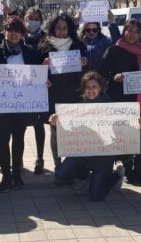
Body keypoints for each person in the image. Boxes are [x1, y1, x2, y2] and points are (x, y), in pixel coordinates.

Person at [0, 19, 42, 192]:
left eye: (17, 30)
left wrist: (45, 80)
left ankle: (17, 175)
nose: (13, 33)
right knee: (1, 141)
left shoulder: (29, 52)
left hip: (21, 105)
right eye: (9, 30)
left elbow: (38, 75)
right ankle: (6, 176)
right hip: (0, 107)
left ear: (22, 33)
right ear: (4, 32)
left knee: (19, 140)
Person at [49, 71, 128, 201]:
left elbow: (124, 127)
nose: (91, 90)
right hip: (82, 155)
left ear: (100, 88)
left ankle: (116, 177)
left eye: (94, 87)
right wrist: (54, 122)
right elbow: (65, 128)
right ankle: (84, 177)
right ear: (83, 89)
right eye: (87, 87)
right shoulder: (76, 106)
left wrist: (137, 125)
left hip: (102, 158)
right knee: (61, 174)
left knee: (96, 197)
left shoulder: (111, 106)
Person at [101, 19, 141, 185]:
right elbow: (102, 74)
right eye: (129, 30)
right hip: (122, 101)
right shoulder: (113, 50)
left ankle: (138, 171)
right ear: (123, 31)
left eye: (136, 31)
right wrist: (114, 77)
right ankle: (127, 169)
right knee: (126, 139)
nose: (132, 34)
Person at [38, 14, 88, 173]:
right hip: (53, 94)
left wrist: (84, 64)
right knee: (55, 129)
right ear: (53, 28)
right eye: (58, 27)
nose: (61, 31)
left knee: (73, 129)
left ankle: (71, 165)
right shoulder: (44, 46)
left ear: (70, 29)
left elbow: (86, 74)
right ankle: (58, 165)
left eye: (64, 27)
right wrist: (43, 67)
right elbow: (36, 73)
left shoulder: (78, 45)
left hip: (74, 93)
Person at [23, 7, 47, 169]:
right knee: (20, 125)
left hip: (40, 85)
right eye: (30, 18)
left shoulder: (46, 38)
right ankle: (18, 160)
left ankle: (39, 158)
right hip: (21, 86)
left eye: (36, 18)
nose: (32, 21)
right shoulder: (20, 36)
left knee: (39, 124)